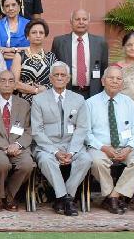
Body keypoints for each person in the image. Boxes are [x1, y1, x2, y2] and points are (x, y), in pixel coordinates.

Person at [83, 64, 134, 214]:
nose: (114, 81)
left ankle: (113, 196)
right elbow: (86, 133)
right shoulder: (90, 103)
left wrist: (129, 148)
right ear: (103, 81)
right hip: (100, 147)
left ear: (122, 83)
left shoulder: (129, 103)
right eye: (111, 78)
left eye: (118, 79)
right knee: (96, 162)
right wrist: (103, 147)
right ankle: (111, 197)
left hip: (125, 147)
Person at [30, 61, 91, 216]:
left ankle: (64, 197)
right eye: (56, 75)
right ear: (50, 78)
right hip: (47, 146)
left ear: (68, 78)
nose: (59, 78)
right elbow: (37, 131)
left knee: (86, 159)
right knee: (46, 160)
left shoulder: (79, 99)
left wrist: (71, 151)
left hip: (72, 145)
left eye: (63, 75)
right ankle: (66, 199)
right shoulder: (39, 100)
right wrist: (55, 151)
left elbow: (82, 128)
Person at [0, 69, 34, 210]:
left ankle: (9, 196)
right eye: (3, 80)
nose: (7, 84)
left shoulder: (24, 105)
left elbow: (28, 130)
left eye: (11, 81)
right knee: (2, 162)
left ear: (15, 85)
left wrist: (17, 145)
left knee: (27, 164)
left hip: (18, 146)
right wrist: (6, 146)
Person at [51, 9, 109, 98]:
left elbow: (104, 69)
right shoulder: (59, 42)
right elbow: (54, 68)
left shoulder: (100, 42)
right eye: (77, 19)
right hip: (67, 92)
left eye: (84, 19)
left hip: (93, 93)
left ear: (89, 21)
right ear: (71, 21)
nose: (81, 22)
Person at [12, 19, 55, 104]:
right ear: (27, 36)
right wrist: (36, 90)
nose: (38, 35)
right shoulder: (19, 56)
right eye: (34, 32)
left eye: (41, 33)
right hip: (23, 103)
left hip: (46, 102)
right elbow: (14, 83)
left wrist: (45, 89)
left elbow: (56, 81)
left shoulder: (51, 57)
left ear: (45, 36)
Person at [0, 0, 29, 69]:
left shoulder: (28, 24)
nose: (10, 8)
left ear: (19, 7)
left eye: (13, 5)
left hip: (26, 65)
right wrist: (21, 51)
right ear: (3, 9)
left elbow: (33, 48)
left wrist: (9, 50)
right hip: (3, 66)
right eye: (7, 6)